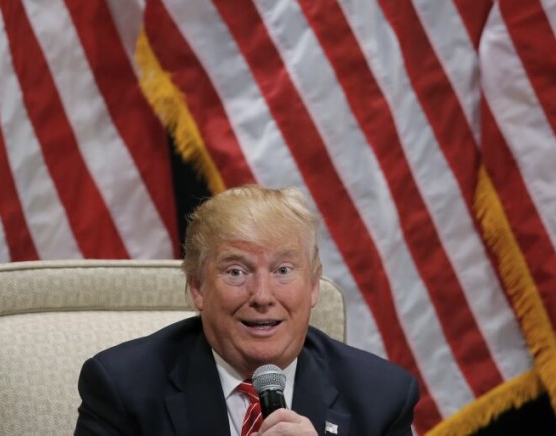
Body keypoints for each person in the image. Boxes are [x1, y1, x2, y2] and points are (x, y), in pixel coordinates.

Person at [75, 185, 418, 435]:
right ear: (198, 287)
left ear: (313, 286)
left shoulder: (381, 397)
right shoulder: (123, 388)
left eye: (283, 270)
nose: (262, 296)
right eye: (236, 271)